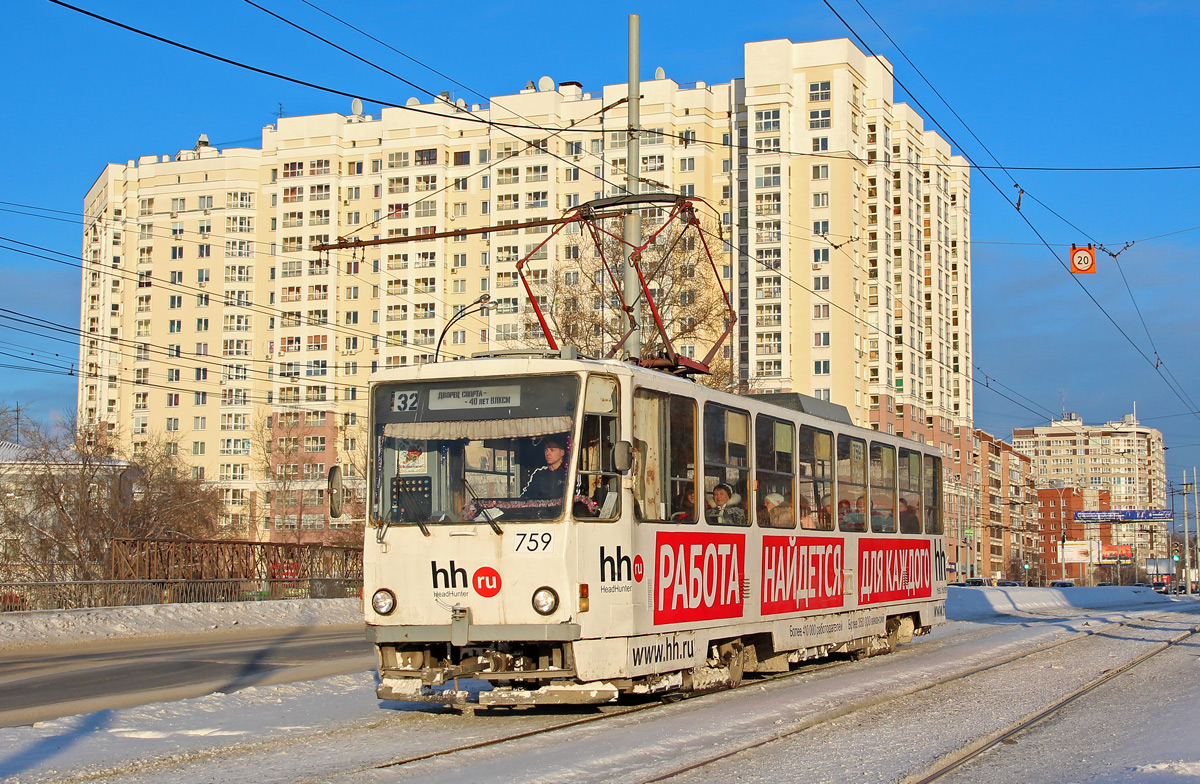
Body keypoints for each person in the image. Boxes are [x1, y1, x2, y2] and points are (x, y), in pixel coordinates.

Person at [521, 435, 568, 500]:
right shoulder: (539, 474)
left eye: (552, 450)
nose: (548, 453)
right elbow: (526, 497)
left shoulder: (569, 474)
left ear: (562, 452)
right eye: (546, 450)